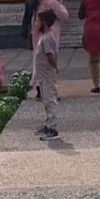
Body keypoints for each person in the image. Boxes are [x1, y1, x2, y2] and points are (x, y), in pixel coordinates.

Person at [33, 10, 61, 141]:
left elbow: (51, 55)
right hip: (43, 76)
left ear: (43, 23)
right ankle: (48, 123)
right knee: (45, 99)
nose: (35, 23)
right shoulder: (43, 38)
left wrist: (55, 68)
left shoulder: (47, 38)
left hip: (48, 75)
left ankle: (53, 128)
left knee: (50, 100)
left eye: (37, 21)